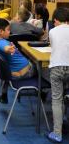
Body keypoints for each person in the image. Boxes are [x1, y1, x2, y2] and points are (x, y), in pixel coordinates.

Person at [0, 18, 36, 103]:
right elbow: (4, 47)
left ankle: (4, 93)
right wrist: (8, 49)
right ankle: (43, 92)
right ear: (0, 31)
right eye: (8, 30)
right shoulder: (2, 43)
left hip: (10, 73)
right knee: (42, 64)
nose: (9, 32)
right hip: (26, 72)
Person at [46, 8, 69, 143]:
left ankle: (57, 133)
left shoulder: (52, 31)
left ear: (55, 20)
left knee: (56, 99)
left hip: (56, 68)